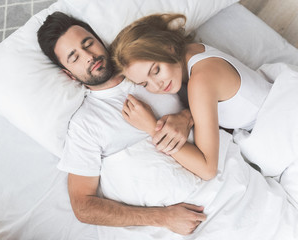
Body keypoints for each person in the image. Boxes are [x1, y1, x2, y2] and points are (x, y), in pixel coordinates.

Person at [37, 11, 206, 235]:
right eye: (75, 57)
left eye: (88, 43)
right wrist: (163, 217)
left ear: (100, 41)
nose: (88, 56)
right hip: (185, 220)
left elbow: (210, 85)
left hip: (224, 173)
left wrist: (187, 116)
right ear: (70, 75)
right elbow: (83, 206)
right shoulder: (84, 125)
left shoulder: (146, 67)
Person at [110, 13, 272, 180]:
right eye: (145, 84)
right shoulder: (193, 51)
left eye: (156, 70)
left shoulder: (200, 81)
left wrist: (152, 128)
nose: (156, 85)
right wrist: (186, 115)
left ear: (168, 47)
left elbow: (208, 169)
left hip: (276, 126)